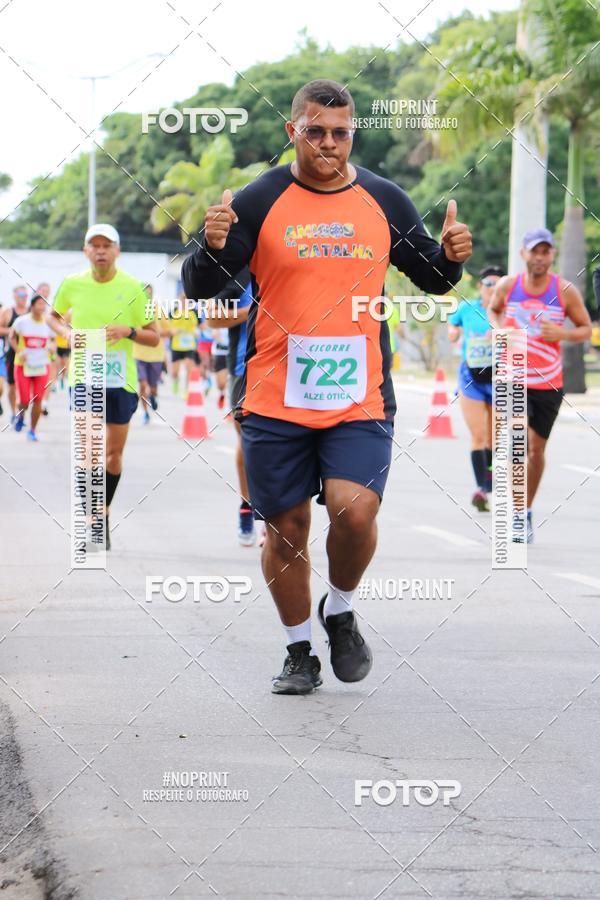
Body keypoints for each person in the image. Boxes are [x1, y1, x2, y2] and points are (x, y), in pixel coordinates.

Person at [182, 79, 472, 694]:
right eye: (315, 131)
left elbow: (433, 279)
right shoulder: (259, 201)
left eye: (341, 133)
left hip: (359, 394)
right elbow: (200, 288)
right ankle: (298, 652)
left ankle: (339, 608)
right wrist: (209, 248)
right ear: (293, 132)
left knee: (356, 508)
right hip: (273, 395)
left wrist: (451, 257)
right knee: (285, 526)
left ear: (352, 134)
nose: (329, 144)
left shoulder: (383, 199)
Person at [48, 223, 159, 550]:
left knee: (112, 456)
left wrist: (129, 331)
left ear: (117, 251)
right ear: (85, 251)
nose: (100, 250)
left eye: (106, 245)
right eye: (93, 245)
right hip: (84, 376)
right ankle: (90, 521)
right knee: (87, 452)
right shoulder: (71, 284)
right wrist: (66, 333)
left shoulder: (137, 287)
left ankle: (103, 511)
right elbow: (52, 316)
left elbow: (154, 336)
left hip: (120, 382)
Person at [489, 228, 591, 543]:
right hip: (512, 377)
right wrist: (499, 330)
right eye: (534, 251)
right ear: (524, 254)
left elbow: (586, 329)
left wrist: (562, 335)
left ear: (552, 256)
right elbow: (493, 310)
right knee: (519, 444)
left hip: (549, 382)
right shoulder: (509, 285)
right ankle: (517, 513)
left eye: (545, 252)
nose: (539, 257)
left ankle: (525, 511)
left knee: (536, 449)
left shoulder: (564, 291)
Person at [202, 268, 258, 546]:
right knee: (248, 442)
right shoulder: (240, 276)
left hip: (289, 369)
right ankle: (247, 506)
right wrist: (255, 312)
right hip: (244, 369)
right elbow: (211, 318)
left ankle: (274, 518)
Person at [448, 266, 504, 512]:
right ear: (480, 286)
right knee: (479, 435)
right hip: (471, 377)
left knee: (495, 437)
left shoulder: (508, 311)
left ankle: (489, 484)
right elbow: (453, 326)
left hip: (500, 377)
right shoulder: (466, 308)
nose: (492, 288)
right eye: (488, 283)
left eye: (497, 284)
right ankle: (481, 488)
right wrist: (453, 333)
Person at [9, 293, 54, 440]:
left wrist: (52, 347)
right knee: (24, 400)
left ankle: (33, 430)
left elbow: (53, 340)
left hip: (41, 366)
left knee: (38, 400)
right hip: (23, 366)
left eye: (44, 304)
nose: (42, 307)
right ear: (33, 305)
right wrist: (19, 351)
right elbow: (11, 336)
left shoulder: (48, 323)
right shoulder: (22, 321)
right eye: (39, 304)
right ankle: (21, 415)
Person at [133, 287, 169, 424]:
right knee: (143, 386)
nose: (147, 295)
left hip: (156, 354)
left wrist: (157, 333)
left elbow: (167, 330)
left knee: (153, 388)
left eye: (149, 293)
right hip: (138, 354)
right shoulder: (134, 310)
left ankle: (153, 397)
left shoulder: (159, 310)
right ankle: (146, 413)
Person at [0, 286, 29, 424]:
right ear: (14, 296)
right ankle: (14, 413)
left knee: (26, 386)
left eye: (25, 294)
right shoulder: (7, 311)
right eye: (20, 294)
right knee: (12, 385)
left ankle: (21, 413)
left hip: (29, 353)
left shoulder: (31, 311)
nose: (23, 297)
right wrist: (13, 330)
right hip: (11, 353)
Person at [169, 293, 198, 397]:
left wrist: (197, 332)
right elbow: (167, 327)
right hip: (176, 345)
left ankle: (187, 390)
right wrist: (173, 331)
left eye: (186, 300)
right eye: (182, 299)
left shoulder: (193, 312)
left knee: (188, 366)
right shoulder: (173, 311)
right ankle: (175, 381)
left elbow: (200, 325)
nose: (184, 301)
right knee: (174, 372)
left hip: (189, 344)